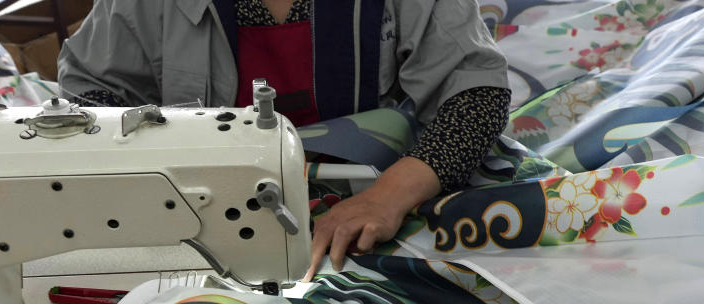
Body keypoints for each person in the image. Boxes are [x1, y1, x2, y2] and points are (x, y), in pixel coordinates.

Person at [57, 0, 511, 280]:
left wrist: (387, 197)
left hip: (383, 192)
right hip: (204, 204)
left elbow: (476, 94)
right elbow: (89, 90)